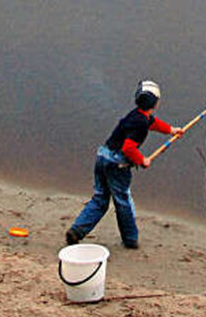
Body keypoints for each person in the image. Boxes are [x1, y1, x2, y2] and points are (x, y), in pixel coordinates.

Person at [64, 79, 182, 250]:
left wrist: (172, 130)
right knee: (123, 201)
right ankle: (130, 239)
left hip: (102, 156)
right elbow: (128, 148)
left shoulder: (137, 115)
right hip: (117, 165)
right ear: (155, 103)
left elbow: (153, 123)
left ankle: (77, 230)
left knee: (100, 198)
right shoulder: (141, 123)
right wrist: (142, 161)